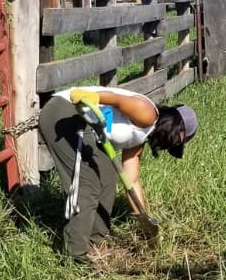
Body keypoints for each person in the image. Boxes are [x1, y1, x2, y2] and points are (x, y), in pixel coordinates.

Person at [37, 85, 197, 263]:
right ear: (177, 129)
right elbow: (117, 99)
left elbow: (131, 181)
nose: (171, 145)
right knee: (87, 184)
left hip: (89, 128)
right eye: (177, 141)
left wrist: (143, 218)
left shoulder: (140, 138)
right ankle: (74, 254)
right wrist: (93, 97)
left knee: (108, 180)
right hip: (67, 111)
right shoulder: (148, 113)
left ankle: (94, 241)